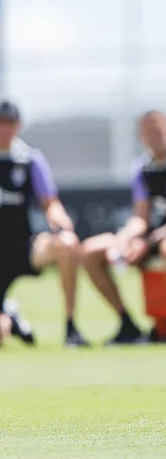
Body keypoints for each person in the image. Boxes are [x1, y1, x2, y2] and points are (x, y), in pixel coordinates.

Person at [81, 110, 166, 345]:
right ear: (141, 136)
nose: (155, 135)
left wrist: (146, 242)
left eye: (159, 129)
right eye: (148, 131)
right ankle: (127, 324)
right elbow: (140, 217)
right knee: (91, 251)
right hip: (154, 236)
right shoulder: (143, 169)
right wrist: (125, 239)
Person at [0, 100, 87, 347]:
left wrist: (58, 217)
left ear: (18, 125)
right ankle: (10, 315)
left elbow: (50, 202)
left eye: (9, 123)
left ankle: (71, 327)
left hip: (23, 247)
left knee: (67, 244)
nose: (4, 129)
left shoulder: (29, 159)